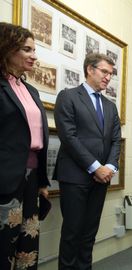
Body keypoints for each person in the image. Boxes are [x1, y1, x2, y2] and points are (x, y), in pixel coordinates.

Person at [54, 53, 121, 269]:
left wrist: (109, 167)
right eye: (104, 72)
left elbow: (115, 140)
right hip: (75, 176)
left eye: (111, 74)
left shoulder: (110, 106)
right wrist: (95, 167)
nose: (108, 77)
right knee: (72, 233)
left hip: (101, 179)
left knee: (89, 233)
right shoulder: (68, 96)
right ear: (90, 70)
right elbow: (69, 137)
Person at [0, 22, 50, 270]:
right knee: (3, 247)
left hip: (31, 179)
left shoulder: (30, 90)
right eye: (27, 49)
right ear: (8, 49)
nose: (34, 56)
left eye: (34, 50)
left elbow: (38, 138)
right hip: (5, 179)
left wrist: (42, 181)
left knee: (28, 246)